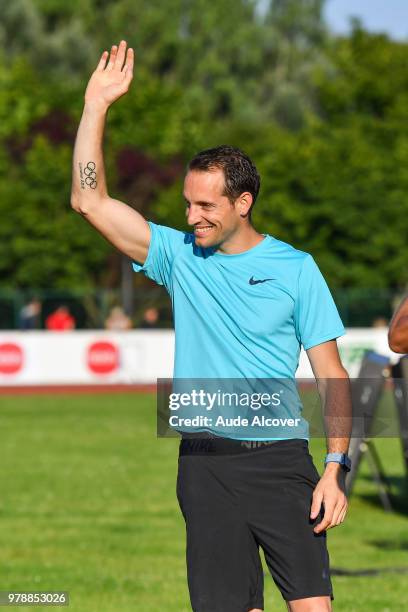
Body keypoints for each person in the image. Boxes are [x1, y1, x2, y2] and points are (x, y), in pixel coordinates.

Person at [71, 40, 351, 612]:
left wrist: (335, 467)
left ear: (243, 202)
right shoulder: (177, 256)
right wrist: (95, 106)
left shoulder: (296, 268)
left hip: (280, 463)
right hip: (203, 467)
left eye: (207, 206)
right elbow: (90, 201)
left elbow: (333, 375)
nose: (192, 216)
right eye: (188, 203)